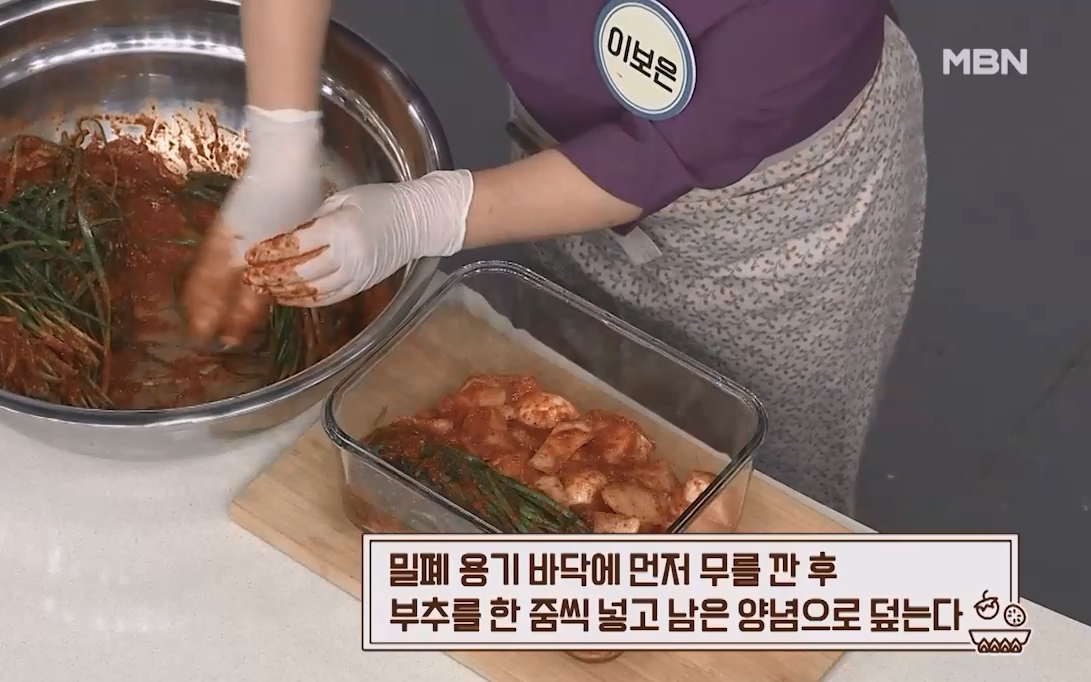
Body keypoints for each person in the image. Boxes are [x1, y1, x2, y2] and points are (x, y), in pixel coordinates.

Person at [181, 0, 927, 514]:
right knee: (561, 405)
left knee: (758, 480)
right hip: (562, 145)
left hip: (770, 218)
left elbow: (653, 158)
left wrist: (425, 215)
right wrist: (280, 145)